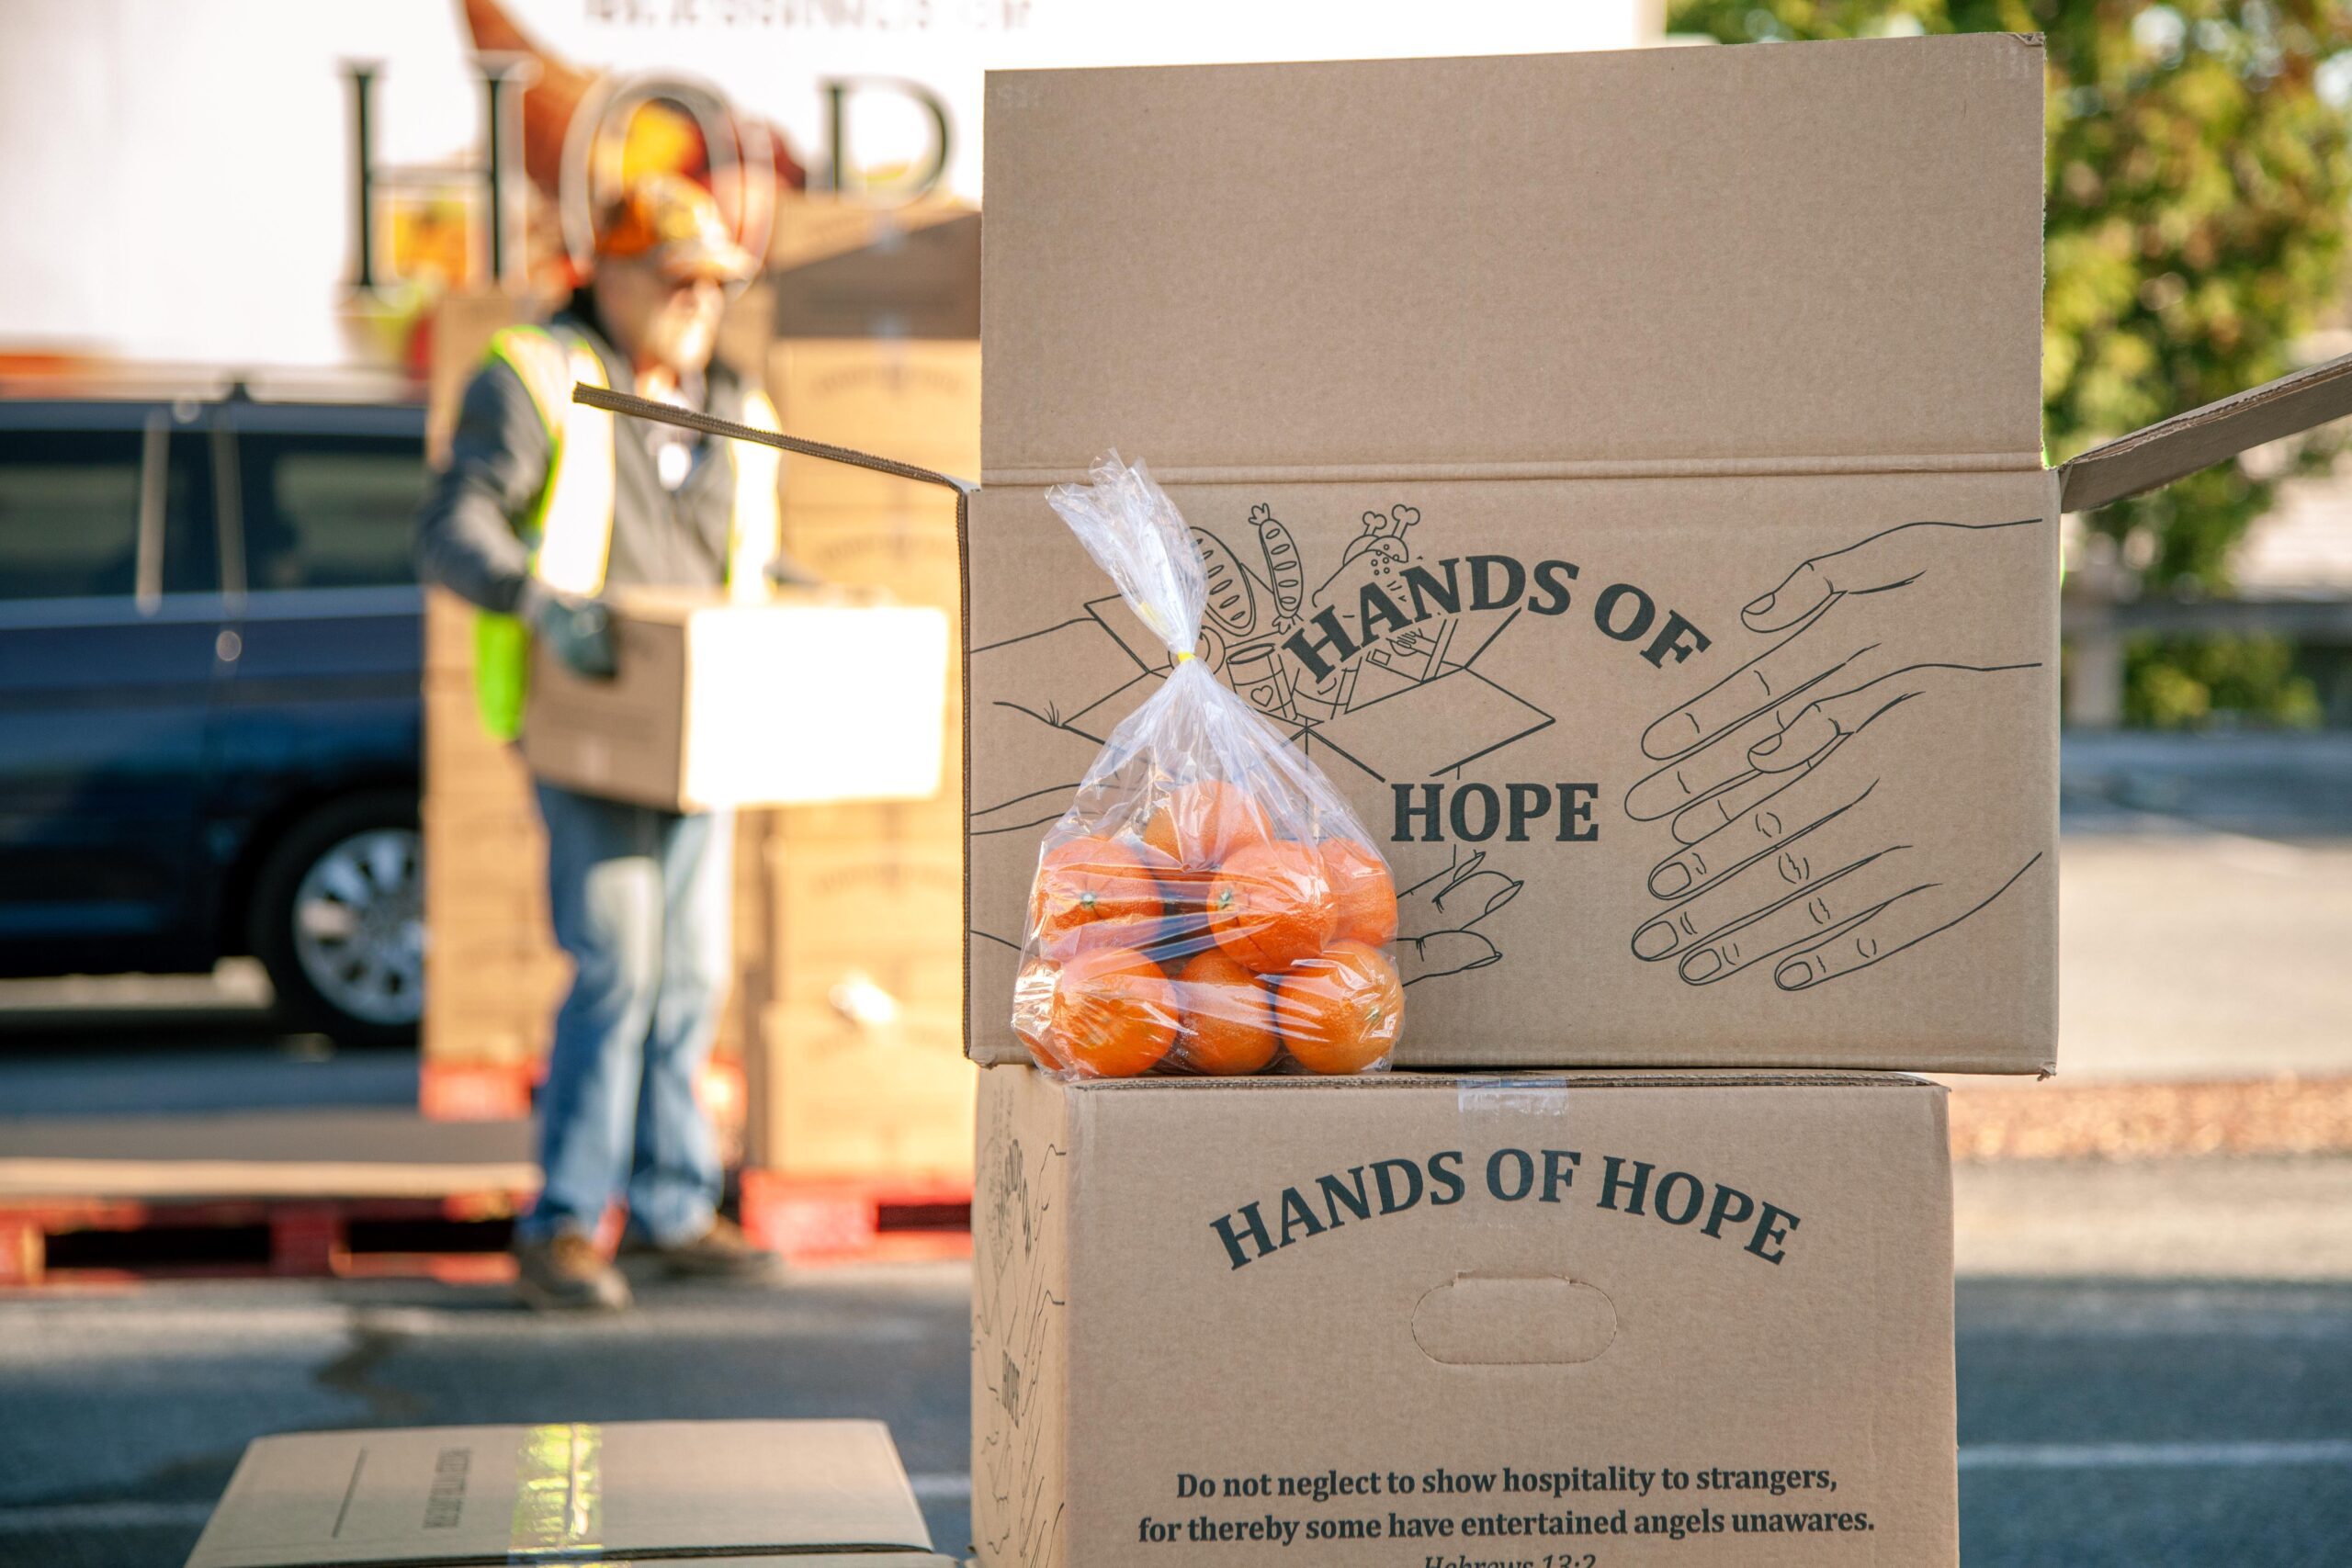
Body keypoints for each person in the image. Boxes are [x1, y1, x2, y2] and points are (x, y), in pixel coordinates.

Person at [415, 174, 794, 1310]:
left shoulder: (737, 409)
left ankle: (673, 1204)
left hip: (699, 734)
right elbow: (454, 526)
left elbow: (747, 568)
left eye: (713, 284)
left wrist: (830, 605)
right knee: (620, 965)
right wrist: (535, 601)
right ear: (608, 275)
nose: (696, 301)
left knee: (690, 973)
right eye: (673, 278)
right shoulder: (538, 378)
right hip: (590, 724)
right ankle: (566, 1221)